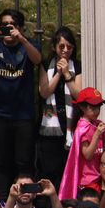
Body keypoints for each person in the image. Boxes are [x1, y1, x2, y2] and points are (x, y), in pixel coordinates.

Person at [0, 9, 42, 195]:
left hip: (23, 115)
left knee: (24, 161)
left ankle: (26, 199)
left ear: (19, 28)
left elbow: (37, 59)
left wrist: (21, 39)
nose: (7, 30)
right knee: (1, 161)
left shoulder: (28, 44)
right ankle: (4, 200)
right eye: (4, 25)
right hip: (0, 114)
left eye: (11, 26)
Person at [35, 26, 82, 186]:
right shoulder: (46, 63)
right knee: (50, 170)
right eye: (62, 46)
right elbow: (44, 92)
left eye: (69, 47)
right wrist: (58, 73)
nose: (65, 50)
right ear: (54, 47)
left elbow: (79, 95)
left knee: (68, 172)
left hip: (71, 124)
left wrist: (68, 74)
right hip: (50, 127)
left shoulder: (78, 66)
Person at [58, 89, 105, 201]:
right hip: (87, 181)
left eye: (99, 107)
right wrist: (97, 135)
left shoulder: (98, 124)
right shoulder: (82, 128)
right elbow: (87, 155)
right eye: (93, 107)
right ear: (82, 108)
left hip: (100, 179)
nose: (96, 111)